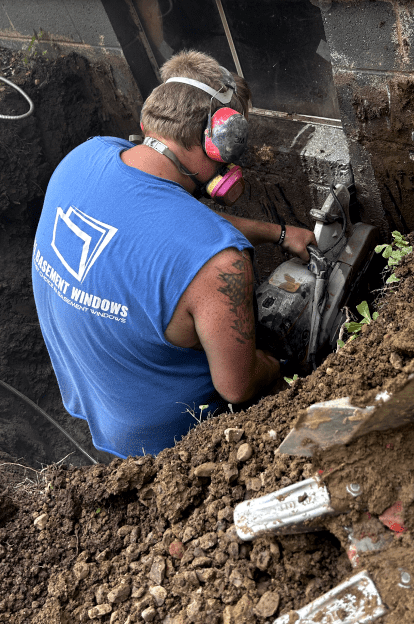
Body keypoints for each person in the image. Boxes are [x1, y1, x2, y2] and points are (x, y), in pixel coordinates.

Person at [32, 50, 315, 457]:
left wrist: (278, 233)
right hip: (175, 445)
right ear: (221, 142)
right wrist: (276, 360)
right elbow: (237, 386)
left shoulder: (83, 159)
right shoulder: (222, 263)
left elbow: (167, 225)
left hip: (96, 398)